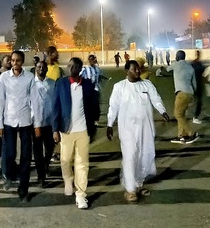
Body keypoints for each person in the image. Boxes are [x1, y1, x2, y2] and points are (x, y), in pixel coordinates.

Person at [106, 60, 170, 203]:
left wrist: (163, 111)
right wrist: (110, 124)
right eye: (134, 69)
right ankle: (130, 190)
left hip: (145, 128)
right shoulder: (119, 87)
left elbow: (156, 98)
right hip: (127, 129)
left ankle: (138, 184)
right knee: (130, 155)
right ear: (126, 71)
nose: (137, 71)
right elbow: (113, 106)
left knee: (143, 155)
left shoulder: (147, 85)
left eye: (138, 69)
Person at [51, 57, 100, 210]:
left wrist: (94, 126)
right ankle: (67, 179)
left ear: (80, 69)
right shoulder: (61, 84)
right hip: (66, 130)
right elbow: (55, 107)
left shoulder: (88, 86)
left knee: (82, 164)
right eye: (69, 65)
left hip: (83, 131)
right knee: (65, 160)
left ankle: (81, 195)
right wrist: (55, 129)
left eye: (74, 66)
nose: (70, 68)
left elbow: (94, 108)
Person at [0, 50, 36, 201]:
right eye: (12, 60)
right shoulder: (4, 78)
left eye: (18, 60)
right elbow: (0, 101)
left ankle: (23, 189)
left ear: (22, 62)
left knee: (26, 156)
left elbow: (34, 101)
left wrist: (36, 123)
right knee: (9, 154)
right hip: (9, 121)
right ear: (10, 62)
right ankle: (9, 175)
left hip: (25, 120)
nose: (15, 63)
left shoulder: (30, 77)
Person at [31, 60, 56, 186]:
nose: (41, 69)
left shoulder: (52, 83)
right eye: (39, 67)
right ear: (35, 68)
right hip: (36, 123)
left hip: (49, 122)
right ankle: (41, 176)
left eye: (43, 67)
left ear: (46, 69)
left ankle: (46, 164)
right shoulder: (31, 84)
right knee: (37, 150)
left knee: (50, 147)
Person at [168, 50, 199, 144]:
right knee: (181, 114)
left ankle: (191, 133)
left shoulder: (175, 64)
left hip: (181, 93)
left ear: (177, 57)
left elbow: (167, 69)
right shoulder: (190, 67)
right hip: (190, 92)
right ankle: (181, 135)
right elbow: (194, 84)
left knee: (177, 114)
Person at [191, 50, 205, 124]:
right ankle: (195, 117)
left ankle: (195, 115)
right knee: (198, 101)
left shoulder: (194, 63)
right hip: (196, 83)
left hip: (196, 83)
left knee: (197, 101)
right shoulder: (197, 64)